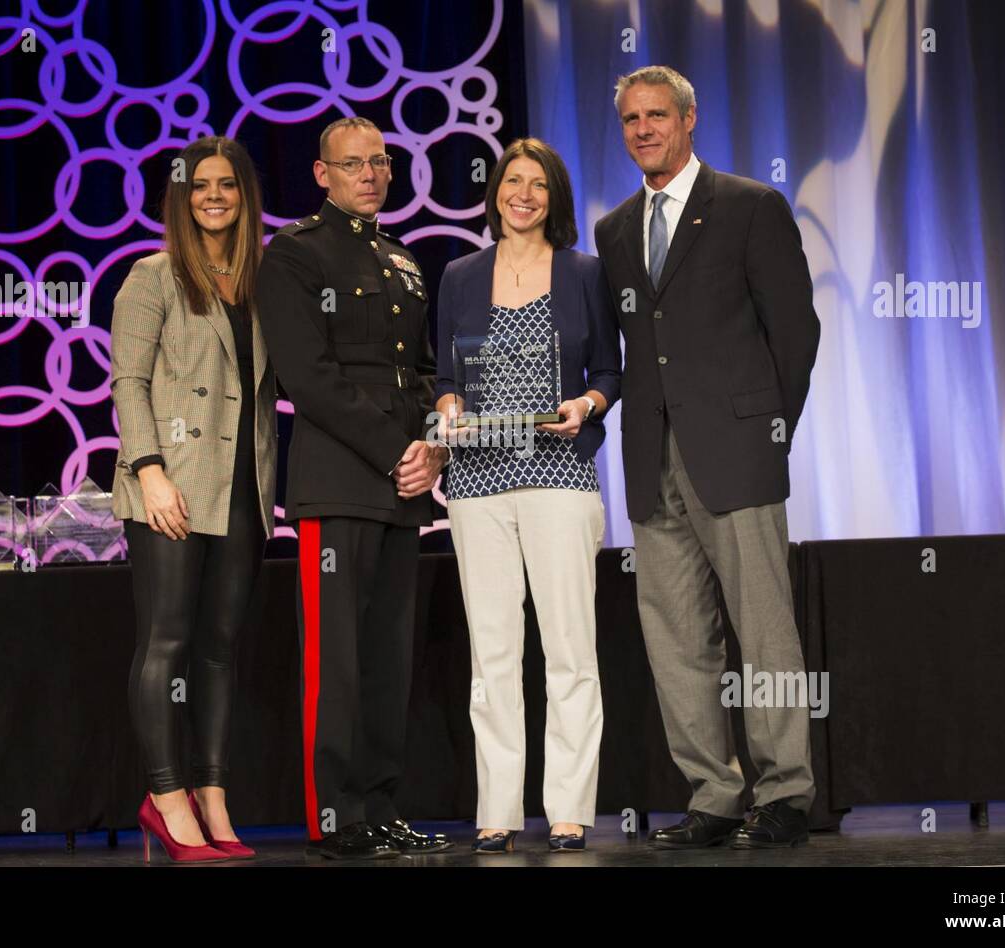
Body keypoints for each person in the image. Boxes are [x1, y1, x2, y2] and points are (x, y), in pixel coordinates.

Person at [593, 66, 821, 849]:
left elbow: (795, 336)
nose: (644, 130)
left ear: (690, 120)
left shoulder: (752, 207)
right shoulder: (614, 229)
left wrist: (767, 429)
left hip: (738, 454)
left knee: (765, 632)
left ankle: (786, 791)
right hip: (652, 457)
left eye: (657, 115)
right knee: (675, 636)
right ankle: (714, 795)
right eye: (631, 119)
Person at [256, 117, 452, 860]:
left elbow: (428, 373)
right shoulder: (296, 254)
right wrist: (399, 446)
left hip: (405, 484)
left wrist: (432, 448)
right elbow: (309, 379)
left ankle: (379, 808)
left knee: (384, 663)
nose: (370, 174)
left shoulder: (402, 257)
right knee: (334, 664)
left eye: (380, 162)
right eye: (353, 164)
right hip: (339, 481)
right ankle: (337, 818)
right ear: (321, 174)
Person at [434, 138, 620, 853]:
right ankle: (498, 811)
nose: (524, 194)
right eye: (514, 181)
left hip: (560, 476)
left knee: (571, 650)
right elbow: (442, 370)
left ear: (555, 198)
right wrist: (447, 403)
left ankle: (569, 809)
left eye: (539, 185)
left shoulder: (585, 274)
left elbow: (610, 368)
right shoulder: (458, 275)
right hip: (477, 481)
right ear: (495, 191)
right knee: (493, 653)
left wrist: (588, 404)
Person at [110, 135, 277, 863]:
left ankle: (213, 793)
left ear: (245, 196)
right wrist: (148, 471)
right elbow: (127, 382)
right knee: (166, 642)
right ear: (179, 197)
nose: (215, 196)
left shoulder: (264, 279)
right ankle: (165, 795)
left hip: (244, 487)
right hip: (169, 485)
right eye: (201, 185)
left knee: (219, 650)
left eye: (229, 185)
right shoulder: (152, 276)